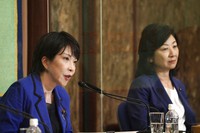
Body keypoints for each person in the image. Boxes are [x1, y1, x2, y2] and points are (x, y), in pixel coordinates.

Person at [0, 31, 80, 133]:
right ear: (45, 62)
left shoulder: (62, 95)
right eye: (66, 58)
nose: (72, 68)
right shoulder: (21, 90)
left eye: (74, 62)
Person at [127, 23, 196, 132]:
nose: (172, 53)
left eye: (174, 46)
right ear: (150, 57)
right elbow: (141, 128)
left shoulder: (179, 85)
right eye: (165, 49)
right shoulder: (142, 85)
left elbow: (191, 123)